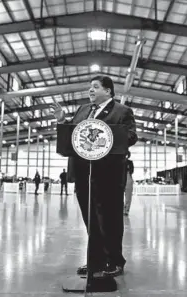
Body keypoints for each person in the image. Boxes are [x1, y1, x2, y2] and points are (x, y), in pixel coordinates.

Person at [52, 75, 137, 279]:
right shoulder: (83, 110)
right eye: (90, 87)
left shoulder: (122, 111)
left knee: (110, 220)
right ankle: (96, 260)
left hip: (108, 174)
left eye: (95, 87)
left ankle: (115, 261)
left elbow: (132, 136)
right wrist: (62, 121)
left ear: (108, 91)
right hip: (83, 173)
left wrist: (106, 138)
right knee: (91, 220)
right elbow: (73, 136)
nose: (90, 90)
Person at [124, 151, 134, 216]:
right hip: (120, 177)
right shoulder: (118, 162)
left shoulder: (130, 162)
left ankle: (126, 210)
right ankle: (120, 209)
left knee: (128, 196)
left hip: (128, 178)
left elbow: (132, 171)